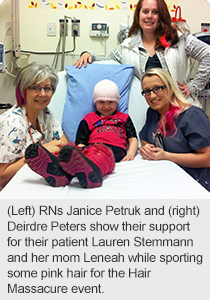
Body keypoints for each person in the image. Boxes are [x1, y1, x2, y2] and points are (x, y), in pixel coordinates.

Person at [74, 0, 210, 106]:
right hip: (147, 109)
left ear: (161, 16)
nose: (149, 16)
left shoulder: (179, 39)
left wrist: (193, 86)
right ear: (138, 14)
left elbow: (207, 53)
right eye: (145, 11)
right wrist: (88, 55)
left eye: (155, 12)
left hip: (178, 106)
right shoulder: (128, 46)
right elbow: (107, 61)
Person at [25, 79, 138, 188]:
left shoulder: (124, 118)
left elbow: (132, 138)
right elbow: (81, 142)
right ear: (95, 102)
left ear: (117, 102)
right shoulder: (89, 119)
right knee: (68, 151)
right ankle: (58, 168)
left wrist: (130, 154)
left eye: (111, 102)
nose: (106, 106)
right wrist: (79, 152)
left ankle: (93, 173)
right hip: (91, 148)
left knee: (101, 156)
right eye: (101, 102)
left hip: (113, 151)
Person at [0, 62, 69, 190]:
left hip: (40, 184)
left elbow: (63, 144)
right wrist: (40, 153)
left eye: (47, 88)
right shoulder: (11, 123)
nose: (43, 94)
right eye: (35, 88)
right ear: (23, 90)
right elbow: (2, 177)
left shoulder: (45, 114)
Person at [139, 67, 210, 192]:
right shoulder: (153, 113)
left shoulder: (191, 116)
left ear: (170, 87)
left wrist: (166, 156)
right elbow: (145, 138)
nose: (152, 95)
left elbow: (207, 159)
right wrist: (147, 148)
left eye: (157, 88)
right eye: (147, 91)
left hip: (196, 182)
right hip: (166, 177)